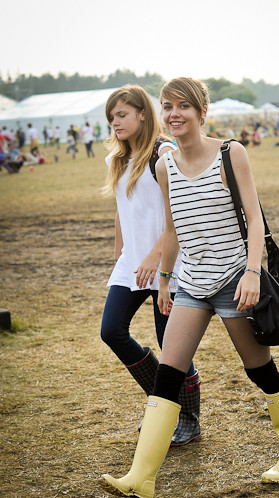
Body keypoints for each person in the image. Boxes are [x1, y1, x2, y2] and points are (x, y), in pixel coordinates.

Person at [99, 77, 279, 498]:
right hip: (191, 285)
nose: (174, 114)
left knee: (260, 370)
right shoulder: (165, 166)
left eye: (183, 106)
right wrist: (163, 279)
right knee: (168, 373)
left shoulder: (231, 154)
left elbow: (254, 219)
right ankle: (140, 477)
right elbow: (173, 229)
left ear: (200, 111)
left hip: (234, 280)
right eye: (167, 106)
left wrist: (252, 272)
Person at [99, 84, 201, 450]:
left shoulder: (164, 153)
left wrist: (155, 257)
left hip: (167, 265)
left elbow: (176, 216)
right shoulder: (117, 158)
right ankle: (163, 402)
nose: (115, 123)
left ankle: (186, 417)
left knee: (170, 346)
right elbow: (123, 208)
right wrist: (120, 253)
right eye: (111, 118)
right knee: (111, 331)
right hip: (131, 265)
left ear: (143, 113)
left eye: (122, 115)